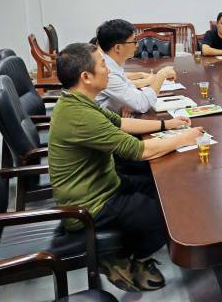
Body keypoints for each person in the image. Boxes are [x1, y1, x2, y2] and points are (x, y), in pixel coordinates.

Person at [49, 43, 204, 292]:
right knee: (164, 214)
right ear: (86, 77)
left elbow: (121, 123)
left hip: (104, 183)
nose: (109, 70)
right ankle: (125, 260)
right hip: (89, 205)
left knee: (163, 190)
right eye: (102, 65)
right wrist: (186, 138)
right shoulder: (80, 116)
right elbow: (141, 151)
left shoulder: (78, 102)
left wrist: (168, 125)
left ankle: (126, 250)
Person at [95, 19, 177, 114]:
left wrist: (127, 103)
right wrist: (162, 74)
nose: (137, 45)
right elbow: (142, 105)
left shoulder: (111, 63)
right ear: (118, 47)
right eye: (134, 41)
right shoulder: (106, 71)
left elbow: (130, 88)